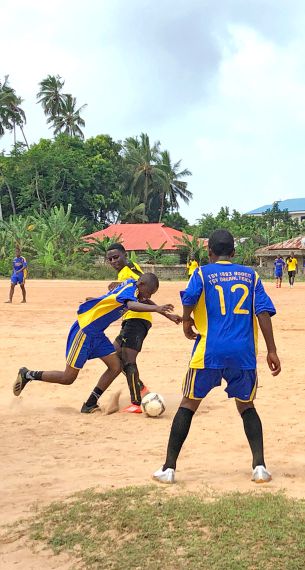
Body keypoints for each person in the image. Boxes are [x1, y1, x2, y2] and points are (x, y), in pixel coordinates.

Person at [153, 229, 281, 485]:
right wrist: (272, 350)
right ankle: (259, 467)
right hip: (243, 354)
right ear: (233, 253)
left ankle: (168, 469)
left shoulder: (201, 272)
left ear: (209, 252)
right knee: (246, 406)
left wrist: (187, 321)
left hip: (208, 352)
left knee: (188, 404)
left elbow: (189, 297)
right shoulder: (251, 275)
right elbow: (263, 313)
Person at [13, 273, 177, 414]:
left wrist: (167, 315)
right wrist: (157, 309)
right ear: (140, 284)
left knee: (115, 366)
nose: (146, 298)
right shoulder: (130, 292)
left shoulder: (132, 286)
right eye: (146, 293)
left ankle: (90, 403)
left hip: (97, 334)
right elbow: (131, 304)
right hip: (84, 331)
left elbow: (124, 296)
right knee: (68, 377)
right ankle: (28, 374)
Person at [106, 243, 180, 413]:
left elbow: (144, 293)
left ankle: (137, 401)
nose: (113, 261)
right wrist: (167, 315)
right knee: (114, 356)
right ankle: (140, 388)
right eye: (110, 259)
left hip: (137, 319)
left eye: (116, 257)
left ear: (125, 254)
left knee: (126, 359)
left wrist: (117, 285)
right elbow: (143, 295)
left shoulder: (128, 272)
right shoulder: (132, 269)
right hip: (133, 319)